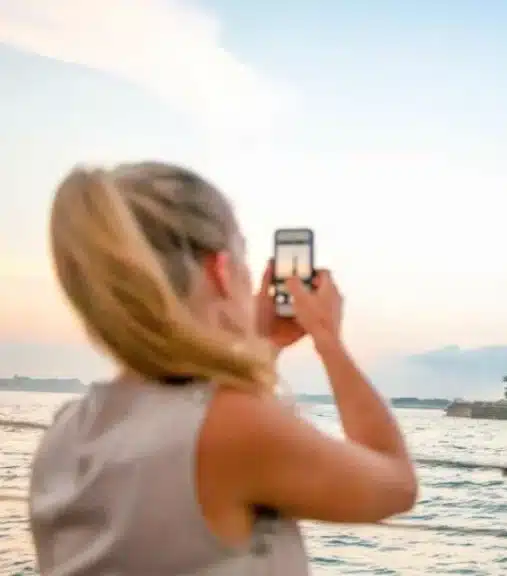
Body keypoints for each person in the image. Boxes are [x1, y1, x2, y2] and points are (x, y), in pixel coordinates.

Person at [28, 162, 417, 575]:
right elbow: (396, 484)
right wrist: (328, 339)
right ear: (220, 270)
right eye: (242, 254)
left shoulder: (64, 436)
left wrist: (261, 343)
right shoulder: (229, 426)